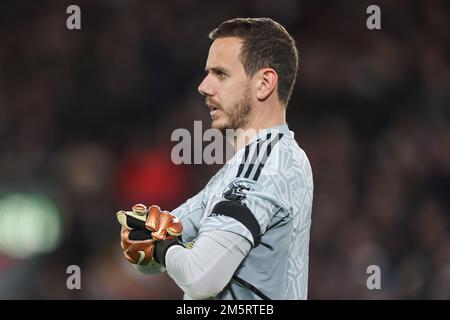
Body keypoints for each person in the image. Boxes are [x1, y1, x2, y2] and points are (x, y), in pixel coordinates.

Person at [117, 17, 314, 300]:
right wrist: (149, 238)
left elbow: (200, 278)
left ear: (264, 84)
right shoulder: (250, 164)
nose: (203, 86)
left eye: (220, 74)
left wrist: (161, 248)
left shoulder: (264, 165)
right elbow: (152, 248)